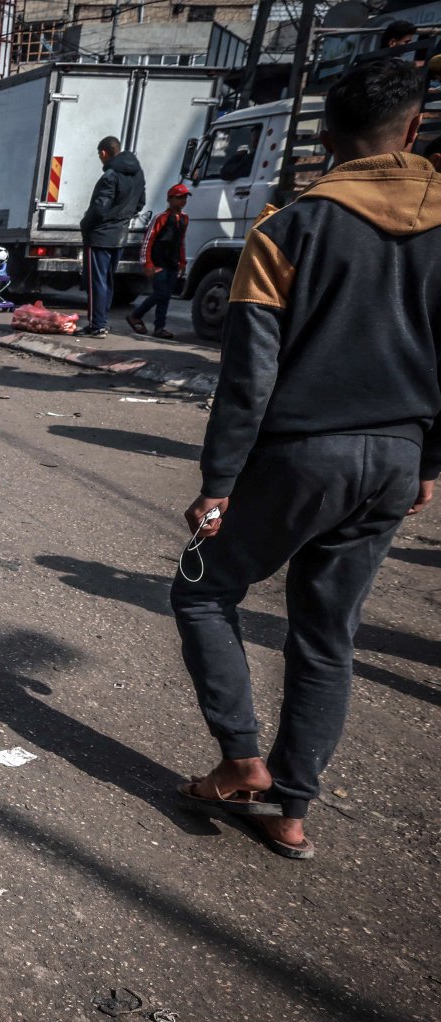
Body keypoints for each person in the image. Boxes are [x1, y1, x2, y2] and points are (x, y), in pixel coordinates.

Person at [170, 59, 440, 862]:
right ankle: (291, 810)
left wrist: (217, 486)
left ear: (325, 138)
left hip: (297, 457)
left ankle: (241, 758)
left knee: (202, 589)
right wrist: (426, 460)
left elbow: (247, 377)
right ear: (413, 130)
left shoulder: (287, 228)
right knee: (327, 633)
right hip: (393, 460)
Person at [77, 135, 145, 337]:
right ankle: (102, 322)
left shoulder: (111, 176)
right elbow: (140, 203)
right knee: (107, 280)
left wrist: (85, 224)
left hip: (100, 236)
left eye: (100, 155)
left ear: (104, 153)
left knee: (96, 282)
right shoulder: (138, 174)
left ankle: (96, 325)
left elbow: (99, 208)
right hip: (120, 235)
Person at [127, 183, 189, 339]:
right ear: (170, 199)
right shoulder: (161, 218)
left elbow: (180, 241)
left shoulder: (184, 219)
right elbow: (148, 241)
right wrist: (147, 263)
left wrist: (182, 261)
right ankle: (136, 315)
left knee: (166, 296)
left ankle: (159, 327)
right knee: (160, 294)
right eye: (179, 198)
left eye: (185, 198)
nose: (182, 201)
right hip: (158, 263)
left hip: (172, 263)